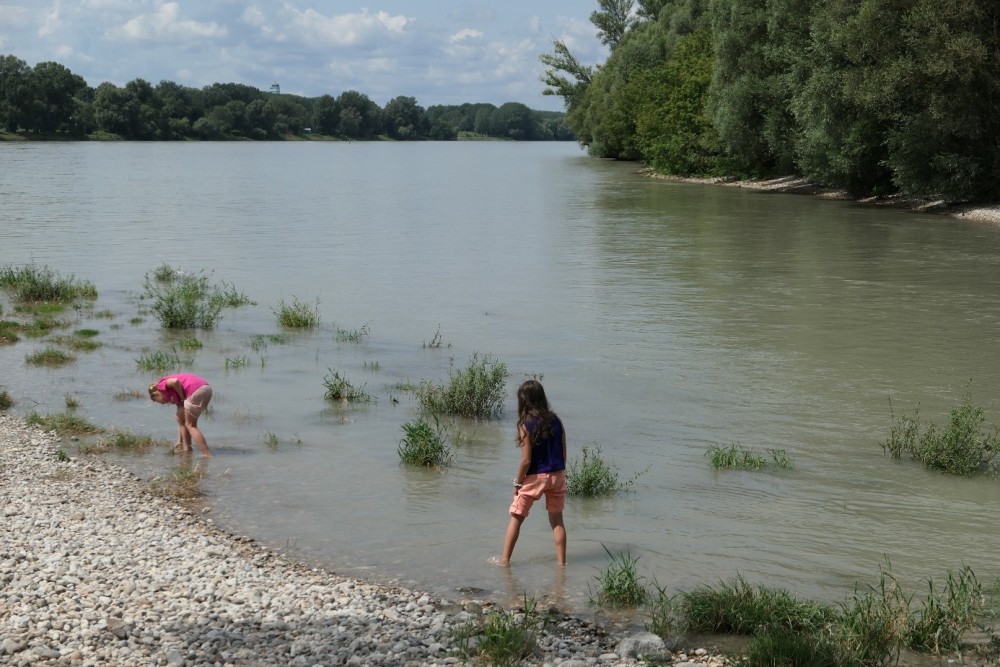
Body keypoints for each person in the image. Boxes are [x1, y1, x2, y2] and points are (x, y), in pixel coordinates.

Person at [500, 380, 567, 566]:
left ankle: (504, 560)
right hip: (557, 474)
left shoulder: (525, 425)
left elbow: (526, 461)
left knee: (516, 517)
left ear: (523, 401)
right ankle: (562, 565)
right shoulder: (556, 420)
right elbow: (564, 453)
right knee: (557, 521)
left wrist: (517, 482)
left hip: (536, 477)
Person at [148, 373, 213, 457]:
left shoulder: (160, 385)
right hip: (206, 389)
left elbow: (175, 382)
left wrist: (183, 398)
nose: (164, 403)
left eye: (160, 401)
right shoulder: (174, 395)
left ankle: (206, 454)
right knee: (187, 422)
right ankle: (187, 449)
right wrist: (179, 442)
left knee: (190, 425)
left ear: (156, 394)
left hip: (196, 390)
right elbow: (181, 421)